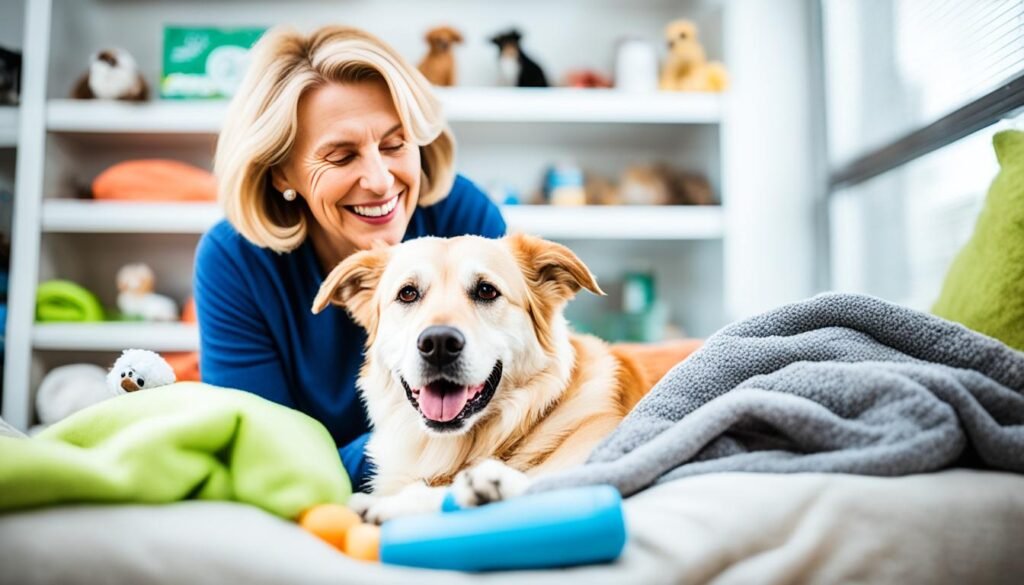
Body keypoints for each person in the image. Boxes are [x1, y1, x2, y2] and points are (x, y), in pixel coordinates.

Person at [193, 25, 506, 492]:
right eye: (341, 157)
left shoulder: (465, 218)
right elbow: (263, 457)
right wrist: (413, 453)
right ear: (281, 171)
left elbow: (506, 408)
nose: (380, 181)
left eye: (395, 144)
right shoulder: (233, 263)